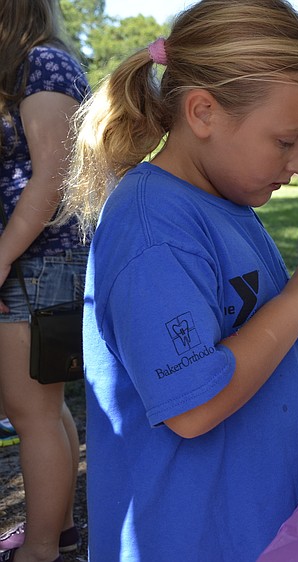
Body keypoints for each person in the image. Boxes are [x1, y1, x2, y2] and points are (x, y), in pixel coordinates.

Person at [60, 0, 298, 559]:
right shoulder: (152, 230)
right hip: (189, 538)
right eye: (285, 141)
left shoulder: (228, 205)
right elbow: (192, 409)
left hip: (259, 528)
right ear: (203, 113)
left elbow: (281, 351)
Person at [0, 1, 87, 560]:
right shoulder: (27, 66)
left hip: (39, 261)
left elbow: (53, 175)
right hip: (34, 261)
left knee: (31, 413)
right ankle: (57, 532)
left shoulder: (44, 65)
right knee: (46, 408)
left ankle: (41, 550)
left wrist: (2, 255)